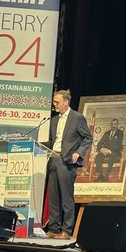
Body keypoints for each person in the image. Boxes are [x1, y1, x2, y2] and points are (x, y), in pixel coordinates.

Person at [46, 89, 93, 239]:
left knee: (66, 197)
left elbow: (87, 138)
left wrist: (78, 153)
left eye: (57, 102)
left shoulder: (77, 118)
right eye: (54, 102)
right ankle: (54, 228)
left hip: (66, 161)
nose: (55, 105)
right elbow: (53, 142)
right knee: (53, 196)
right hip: (53, 159)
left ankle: (67, 230)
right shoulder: (54, 120)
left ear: (66, 102)